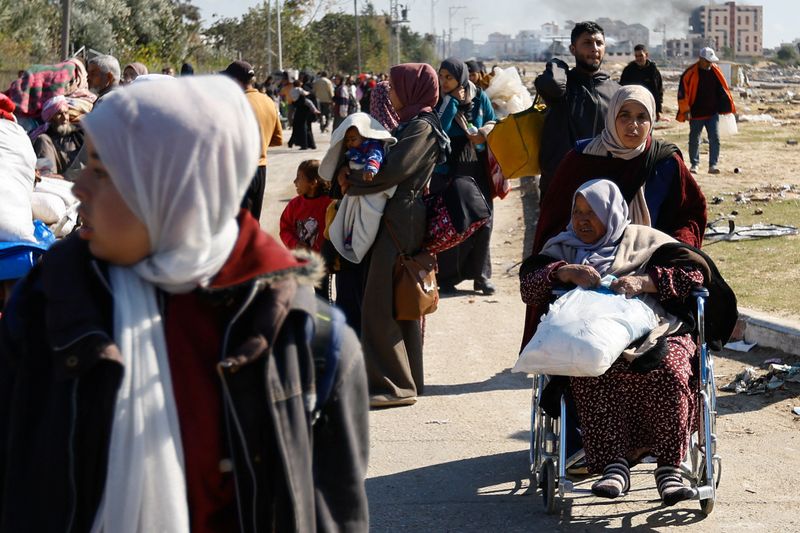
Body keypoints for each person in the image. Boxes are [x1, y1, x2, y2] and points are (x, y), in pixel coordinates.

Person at [0, 75, 369, 532]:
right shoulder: (48, 307)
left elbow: (335, 516)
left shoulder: (312, 340)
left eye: (101, 170)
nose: (79, 190)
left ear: (171, 186)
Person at [520, 178, 734, 506]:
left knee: (670, 369)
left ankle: (670, 470)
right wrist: (566, 272)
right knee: (592, 367)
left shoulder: (646, 242)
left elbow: (694, 277)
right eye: (577, 212)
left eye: (592, 213)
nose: (582, 220)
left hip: (658, 331)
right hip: (592, 337)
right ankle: (613, 466)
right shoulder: (563, 248)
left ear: (613, 212)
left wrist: (644, 281)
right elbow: (530, 287)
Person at [523, 83, 707, 355]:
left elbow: (689, 214)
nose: (633, 125)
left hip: (649, 271)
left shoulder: (665, 163)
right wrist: (570, 266)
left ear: (652, 120)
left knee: (666, 361)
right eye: (624, 115)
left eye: (641, 117)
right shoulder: (580, 160)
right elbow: (554, 219)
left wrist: (668, 253)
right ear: (611, 118)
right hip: (586, 274)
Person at [338, 63, 449, 407]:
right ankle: (407, 379)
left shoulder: (420, 128)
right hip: (400, 217)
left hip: (402, 219)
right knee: (397, 300)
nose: (391, 90)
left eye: (396, 85)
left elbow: (391, 172)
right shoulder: (414, 124)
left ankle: (392, 385)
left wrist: (353, 181)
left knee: (378, 303)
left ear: (412, 88)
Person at [433, 57, 497, 296]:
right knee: (450, 223)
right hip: (448, 172)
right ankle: (447, 278)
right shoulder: (439, 100)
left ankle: (481, 277)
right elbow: (438, 129)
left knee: (483, 222)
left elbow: (493, 120)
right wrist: (450, 102)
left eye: (449, 77)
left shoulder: (479, 97)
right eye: (441, 76)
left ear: (460, 77)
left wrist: (483, 133)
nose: (444, 81)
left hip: (476, 170)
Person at [534, 21, 620, 199]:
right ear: (573, 49)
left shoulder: (616, 91)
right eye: (587, 43)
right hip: (560, 185)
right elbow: (553, 86)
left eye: (599, 43)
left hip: (600, 187)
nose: (594, 48)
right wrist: (557, 63)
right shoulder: (564, 87)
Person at [222, 60, 283, 220]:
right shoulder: (268, 101)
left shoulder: (235, 103)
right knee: (253, 224)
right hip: (260, 170)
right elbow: (277, 139)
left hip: (240, 170)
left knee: (237, 227)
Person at [677, 46, 736, 174]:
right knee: (694, 139)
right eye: (708, 61)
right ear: (701, 59)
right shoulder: (689, 73)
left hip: (712, 113)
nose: (710, 63)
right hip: (696, 114)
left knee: (715, 138)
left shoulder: (716, 71)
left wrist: (726, 107)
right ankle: (694, 164)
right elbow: (682, 93)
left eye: (711, 61)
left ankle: (713, 165)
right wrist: (685, 110)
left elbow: (723, 89)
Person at [279, 159, 332, 254]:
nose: (294, 181)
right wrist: (295, 244)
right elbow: (285, 229)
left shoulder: (329, 205)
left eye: (299, 177)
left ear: (312, 183)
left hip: (324, 263)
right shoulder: (294, 205)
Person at [30, 95, 90, 173]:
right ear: (51, 118)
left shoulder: (79, 134)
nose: (64, 117)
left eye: (66, 113)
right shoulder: (45, 139)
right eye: (59, 114)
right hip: (57, 180)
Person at [620, 44, 663, 122]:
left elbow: (658, 91)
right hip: (632, 107)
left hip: (649, 106)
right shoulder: (629, 70)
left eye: (640, 55)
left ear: (646, 55)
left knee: (648, 132)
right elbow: (622, 89)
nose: (638, 58)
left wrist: (658, 110)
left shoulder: (653, 71)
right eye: (636, 56)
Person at [287, 84, 320, 150]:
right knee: (305, 128)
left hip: (302, 111)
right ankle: (310, 144)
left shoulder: (298, 91)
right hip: (305, 112)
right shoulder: (304, 91)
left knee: (301, 128)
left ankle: (304, 144)